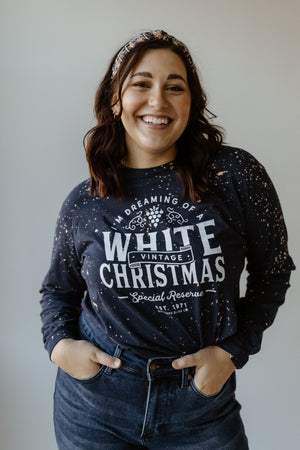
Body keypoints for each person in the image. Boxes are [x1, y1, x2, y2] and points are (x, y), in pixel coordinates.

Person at [40, 30, 295, 449]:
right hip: (94, 404)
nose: (158, 101)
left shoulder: (235, 176)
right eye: (141, 84)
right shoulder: (84, 202)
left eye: (174, 87)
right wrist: (59, 346)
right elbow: (57, 289)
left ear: (190, 102)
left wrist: (233, 351)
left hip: (199, 404)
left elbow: (273, 270)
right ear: (114, 99)